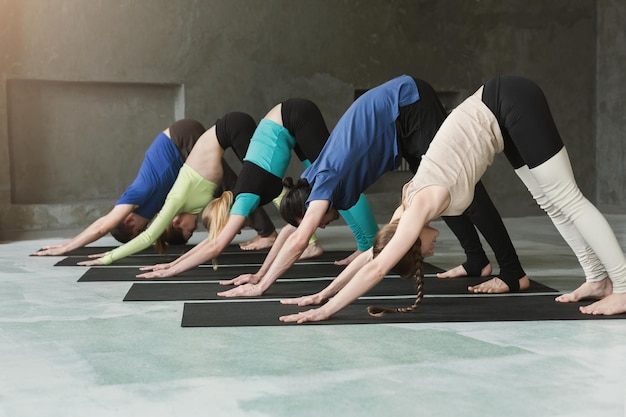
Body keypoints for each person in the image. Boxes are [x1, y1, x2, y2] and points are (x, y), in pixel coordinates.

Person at [278, 75, 626, 323]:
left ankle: (623, 286)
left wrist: (325, 311)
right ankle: (596, 278)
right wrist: (322, 293)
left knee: (567, 198)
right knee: (551, 203)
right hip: (499, 120)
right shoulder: (404, 213)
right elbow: (373, 255)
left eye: (422, 256)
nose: (431, 255)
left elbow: (379, 268)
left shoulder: (420, 207)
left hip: (508, 99)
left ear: (412, 242)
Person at [218, 74, 528, 298]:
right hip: (399, 116)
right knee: (438, 191)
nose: (321, 228)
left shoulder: (325, 181)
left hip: (408, 105)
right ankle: (476, 260)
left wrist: (262, 287)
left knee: (463, 189)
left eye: (315, 222)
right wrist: (259, 273)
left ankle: (513, 273)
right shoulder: (310, 182)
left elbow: (299, 240)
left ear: (311, 206)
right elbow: (291, 232)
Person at [136, 98, 378, 278]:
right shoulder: (242, 197)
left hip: (295, 116)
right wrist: (260, 274)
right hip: (285, 124)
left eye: (233, 230)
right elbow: (286, 232)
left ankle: (372, 245)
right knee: (329, 185)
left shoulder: (245, 197)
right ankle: (364, 245)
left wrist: (169, 271)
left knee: (338, 182)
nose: (238, 232)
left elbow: (215, 245)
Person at [77, 112, 278, 266]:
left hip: (190, 134)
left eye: (190, 230)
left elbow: (107, 227)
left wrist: (101, 256)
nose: (196, 227)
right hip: (218, 133)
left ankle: (269, 232)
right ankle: (280, 227)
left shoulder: (143, 194)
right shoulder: (169, 203)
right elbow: (210, 240)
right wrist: (177, 263)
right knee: (256, 180)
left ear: (177, 220)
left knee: (252, 179)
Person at [32, 119, 206, 256]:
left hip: (182, 136)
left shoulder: (137, 194)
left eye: (141, 230)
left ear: (129, 221)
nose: (146, 229)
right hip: (183, 148)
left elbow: (102, 226)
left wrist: (67, 246)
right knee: (223, 185)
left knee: (225, 184)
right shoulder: (155, 205)